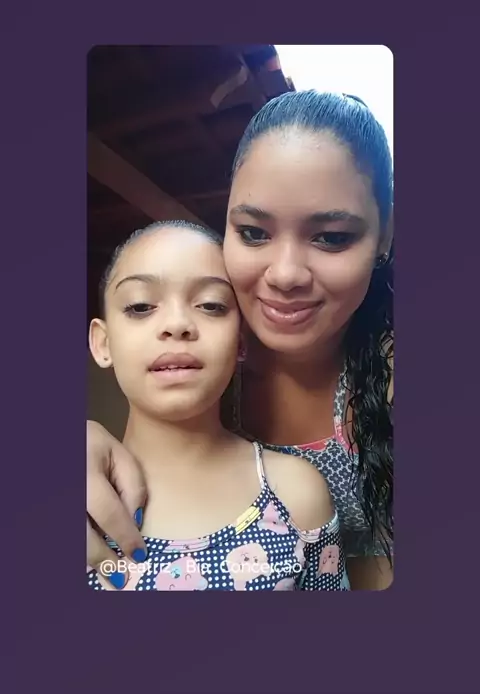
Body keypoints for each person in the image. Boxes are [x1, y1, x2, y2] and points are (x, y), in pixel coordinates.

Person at [87, 90, 393, 590]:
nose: (285, 274)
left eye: (332, 237)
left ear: (384, 236)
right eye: (253, 232)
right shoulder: (196, 363)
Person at [87, 219, 349, 591]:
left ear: (240, 343)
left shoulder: (295, 494)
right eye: (141, 306)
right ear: (103, 343)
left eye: (211, 305)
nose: (177, 324)